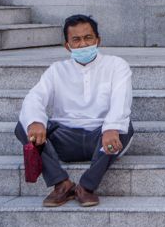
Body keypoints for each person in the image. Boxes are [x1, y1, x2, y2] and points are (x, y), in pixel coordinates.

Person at [14, 14, 133, 208]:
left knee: (124, 126)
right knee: (24, 125)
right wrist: (35, 121)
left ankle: (86, 187)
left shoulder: (116, 65)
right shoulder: (57, 70)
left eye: (88, 38)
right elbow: (35, 97)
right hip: (65, 138)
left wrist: (111, 127)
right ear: (67, 45)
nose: (83, 44)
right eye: (76, 40)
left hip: (101, 138)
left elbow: (122, 100)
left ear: (98, 40)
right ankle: (62, 184)